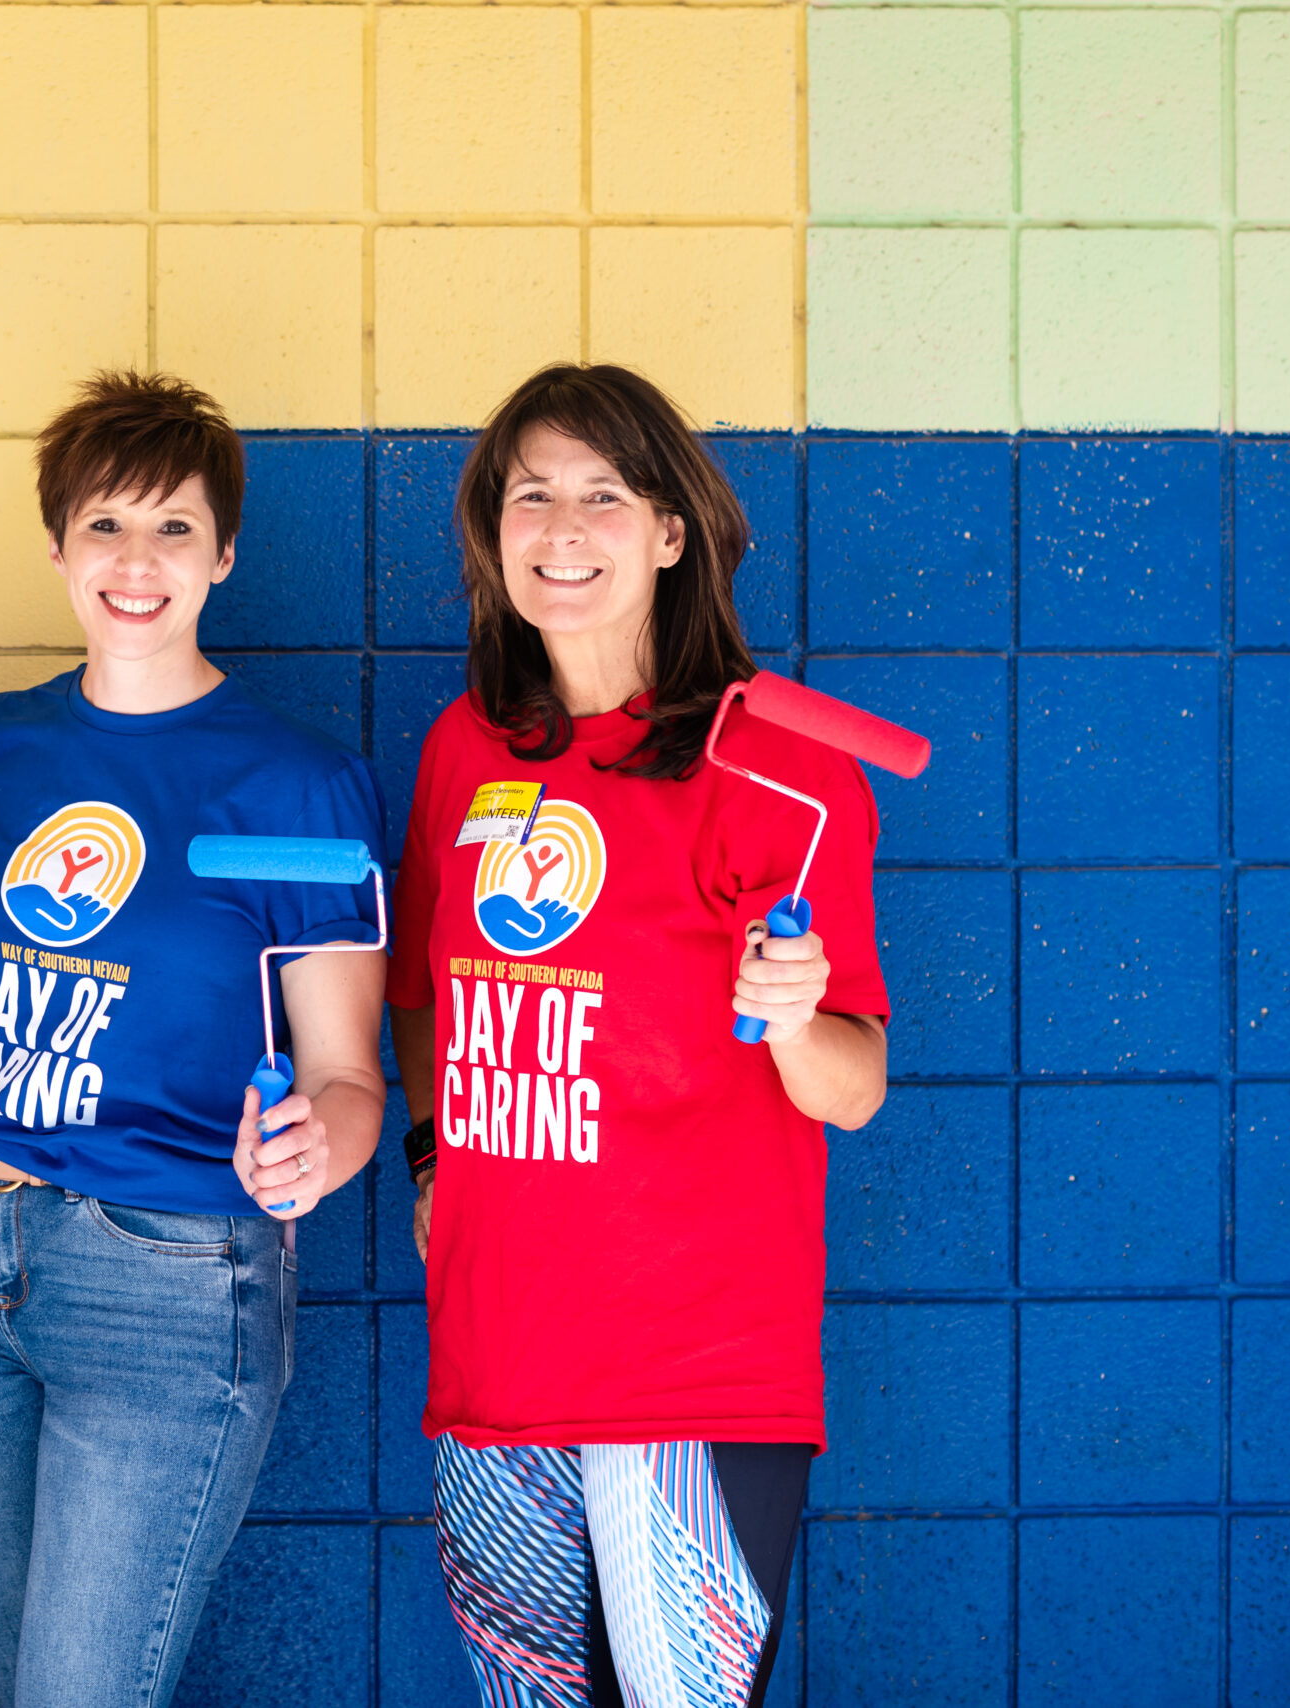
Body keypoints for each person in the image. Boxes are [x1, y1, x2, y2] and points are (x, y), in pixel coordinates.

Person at [0, 371, 389, 1707]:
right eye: (104, 526)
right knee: (29, 1682)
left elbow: (349, 1075)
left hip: (171, 1280)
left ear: (224, 555)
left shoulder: (301, 783)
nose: (136, 563)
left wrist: (316, 1153)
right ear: (56, 546)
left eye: (174, 530)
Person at [389, 364, 891, 1708]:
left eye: (604, 495)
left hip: (692, 1374)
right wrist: (432, 1160)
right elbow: (429, 993)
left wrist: (793, 1015)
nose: (562, 526)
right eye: (531, 494)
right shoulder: (464, 749)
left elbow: (853, 1090)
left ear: (673, 530)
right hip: (497, 1365)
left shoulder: (781, 767)